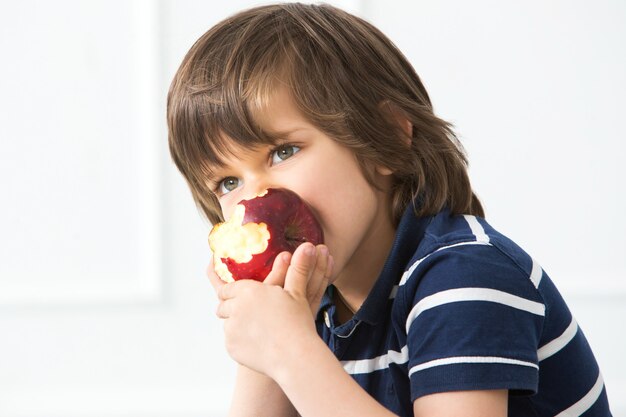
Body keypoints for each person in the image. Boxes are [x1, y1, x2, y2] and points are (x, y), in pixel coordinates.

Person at [166, 3, 612, 416]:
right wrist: (262, 348)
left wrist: (289, 351)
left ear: (387, 139)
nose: (254, 198)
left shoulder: (465, 275)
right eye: (228, 182)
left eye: (283, 151)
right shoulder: (314, 304)